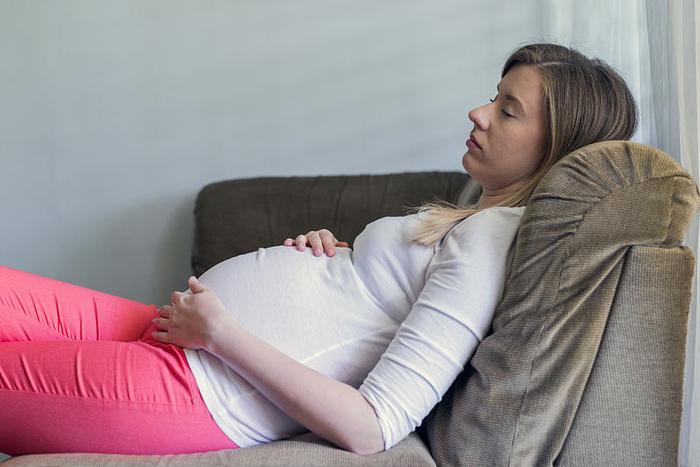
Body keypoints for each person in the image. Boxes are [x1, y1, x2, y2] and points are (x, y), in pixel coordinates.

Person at [0, 42, 637, 456]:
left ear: (553, 147)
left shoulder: (493, 243)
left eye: (508, 110)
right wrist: (339, 260)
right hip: (172, 335)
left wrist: (222, 333)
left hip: (197, 389)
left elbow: (372, 426)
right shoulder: (473, 217)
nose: (478, 112)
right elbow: (366, 309)